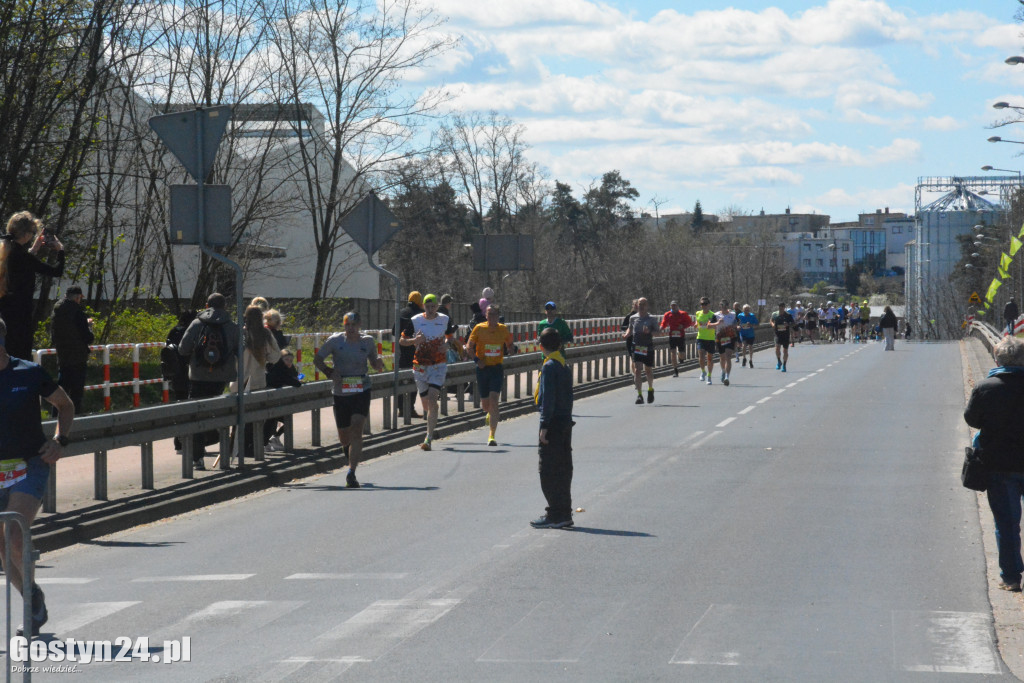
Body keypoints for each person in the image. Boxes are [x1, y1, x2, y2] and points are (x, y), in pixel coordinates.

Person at [0, 315, 74, 636]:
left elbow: (65, 405)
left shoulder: (27, 373)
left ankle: (30, 604)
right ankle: (33, 596)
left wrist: (59, 441)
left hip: (30, 465)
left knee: (14, 536)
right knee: (2, 550)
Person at [963, 335, 1024, 592]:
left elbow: (972, 419)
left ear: (997, 358)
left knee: (1007, 523)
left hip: (999, 465)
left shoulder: (986, 388)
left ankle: (1011, 577)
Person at [315, 312, 384, 488]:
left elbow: (374, 362)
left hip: (361, 388)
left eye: (354, 325)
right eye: (347, 325)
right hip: (341, 391)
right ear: (344, 326)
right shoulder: (335, 341)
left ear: (359, 325)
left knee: (357, 428)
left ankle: (351, 473)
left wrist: (378, 365)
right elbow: (317, 359)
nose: (351, 328)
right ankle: (348, 450)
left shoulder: (367, 341)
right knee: (344, 437)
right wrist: (329, 372)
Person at [177, 293, 241, 471]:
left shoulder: (198, 323)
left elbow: (183, 349)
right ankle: (223, 456)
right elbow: (240, 351)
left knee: (197, 414)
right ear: (225, 307)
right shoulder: (232, 326)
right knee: (217, 413)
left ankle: (197, 458)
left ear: (206, 305)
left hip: (198, 377)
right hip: (220, 378)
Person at [0, 211, 65, 360]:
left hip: (3, 315)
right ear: (26, 234)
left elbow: (17, 268)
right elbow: (56, 271)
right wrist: (60, 250)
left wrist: (33, 251)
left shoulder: (5, 251)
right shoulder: (24, 257)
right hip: (20, 317)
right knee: (20, 359)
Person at [530, 326, 575, 529]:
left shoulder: (549, 366)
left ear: (541, 346)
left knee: (548, 470)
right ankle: (564, 511)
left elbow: (548, 400)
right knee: (564, 468)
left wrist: (544, 426)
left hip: (554, 424)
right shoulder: (564, 364)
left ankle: (555, 513)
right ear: (560, 345)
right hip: (566, 421)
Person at [399, 293, 453, 450]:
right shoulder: (416, 321)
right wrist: (414, 341)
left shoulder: (444, 319)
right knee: (426, 405)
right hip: (420, 366)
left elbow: (451, 337)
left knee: (432, 399)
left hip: (438, 365)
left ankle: (428, 438)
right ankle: (432, 423)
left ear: (437, 306)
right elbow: (402, 340)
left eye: (433, 306)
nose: (430, 310)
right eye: (427, 307)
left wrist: (447, 345)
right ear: (423, 306)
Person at [231, 305, 281, 459]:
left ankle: (234, 448)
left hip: (238, 383)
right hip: (257, 382)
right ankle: (250, 447)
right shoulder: (265, 334)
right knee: (255, 420)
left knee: (238, 420)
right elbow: (276, 356)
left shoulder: (239, 333)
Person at [467, 304, 516, 446]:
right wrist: (477, 360)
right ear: (486, 316)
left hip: (496, 368)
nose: (492, 317)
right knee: (485, 405)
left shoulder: (503, 329)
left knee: (494, 399)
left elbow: (510, 344)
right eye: (489, 314)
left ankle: (491, 435)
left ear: (498, 316)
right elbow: (469, 347)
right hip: (482, 369)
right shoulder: (479, 328)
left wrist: (511, 349)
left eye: (494, 314)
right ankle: (489, 412)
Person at [50, 285, 93, 413]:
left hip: (63, 356)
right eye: (80, 298)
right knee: (76, 393)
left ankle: (55, 418)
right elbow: (88, 337)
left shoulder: (56, 311)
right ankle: (74, 419)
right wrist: (89, 326)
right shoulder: (77, 312)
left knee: (61, 391)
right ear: (77, 297)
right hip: (78, 357)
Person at [264, 348, 302, 452]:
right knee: (275, 420)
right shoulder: (276, 369)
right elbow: (294, 382)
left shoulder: (290, 370)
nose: (289, 362)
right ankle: (268, 441)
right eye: (286, 360)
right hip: (272, 401)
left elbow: (294, 380)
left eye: (291, 360)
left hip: (280, 401)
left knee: (284, 419)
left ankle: (271, 440)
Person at [624, 297, 659, 404]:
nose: (641, 306)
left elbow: (658, 333)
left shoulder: (651, 318)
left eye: (644, 304)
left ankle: (650, 389)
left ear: (647, 305)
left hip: (647, 346)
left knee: (648, 370)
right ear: (637, 305)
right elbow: (630, 328)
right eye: (640, 304)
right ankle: (639, 395)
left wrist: (649, 331)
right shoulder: (633, 318)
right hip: (637, 347)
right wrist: (627, 334)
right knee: (638, 370)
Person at [396, 291, 424, 418]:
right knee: (414, 381)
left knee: (402, 381)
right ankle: (410, 408)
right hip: (416, 352)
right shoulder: (419, 315)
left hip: (402, 352)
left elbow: (393, 330)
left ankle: (401, 408)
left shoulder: (401, 312)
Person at [660, 300, 694, 377]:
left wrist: (683, 326)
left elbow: (689, 322)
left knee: (681, 353)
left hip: (680, 335)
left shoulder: (683, 314)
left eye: (675, 305)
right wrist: (661, 328)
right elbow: (664, 323)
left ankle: (681, 357)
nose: (674, 307)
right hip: (672, 336)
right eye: (672, 306)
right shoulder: (667, 314)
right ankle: (675, 370)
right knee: (673, 353)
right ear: (670, 306)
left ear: (677, 306)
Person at [694, 297, 718, 385]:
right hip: (700, 337)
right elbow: (697, 322)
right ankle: (703, 371)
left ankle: (709, 376)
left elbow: (714, 326)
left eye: (704, 304)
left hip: (710, 338)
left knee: (709, 358)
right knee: (701, 355)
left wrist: (709, 324)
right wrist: (696, 325)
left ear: (708, 305)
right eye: (701, 304)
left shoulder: (712, 315)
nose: (703, 306)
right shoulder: (698, 313)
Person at [715, 299, 737, 386]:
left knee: (728, 356)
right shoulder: (716, 315)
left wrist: (736, 327)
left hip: (730, 337)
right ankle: (723, 371)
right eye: (722, 305)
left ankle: (727, 377)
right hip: (720, 338)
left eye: (726, 306)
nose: (724, 307)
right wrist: (717, 323)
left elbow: (736, 324)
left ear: (728, 306)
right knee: (722, 357)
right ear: (720, 306)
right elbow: (709, 326)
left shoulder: (733, 315)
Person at [770, 301, 794, 372]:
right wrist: (773, 324)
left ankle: (784, 365)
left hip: (785, 335)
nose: (781, 309)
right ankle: (779, 361)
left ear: (784, 308)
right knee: (777, 349)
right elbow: (771, 320)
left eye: (782, 308)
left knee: (785, 351)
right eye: (780, 308)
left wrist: (788, 325)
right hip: (777, 334)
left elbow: (793, 323)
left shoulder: (788, 315)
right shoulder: (775, 314)